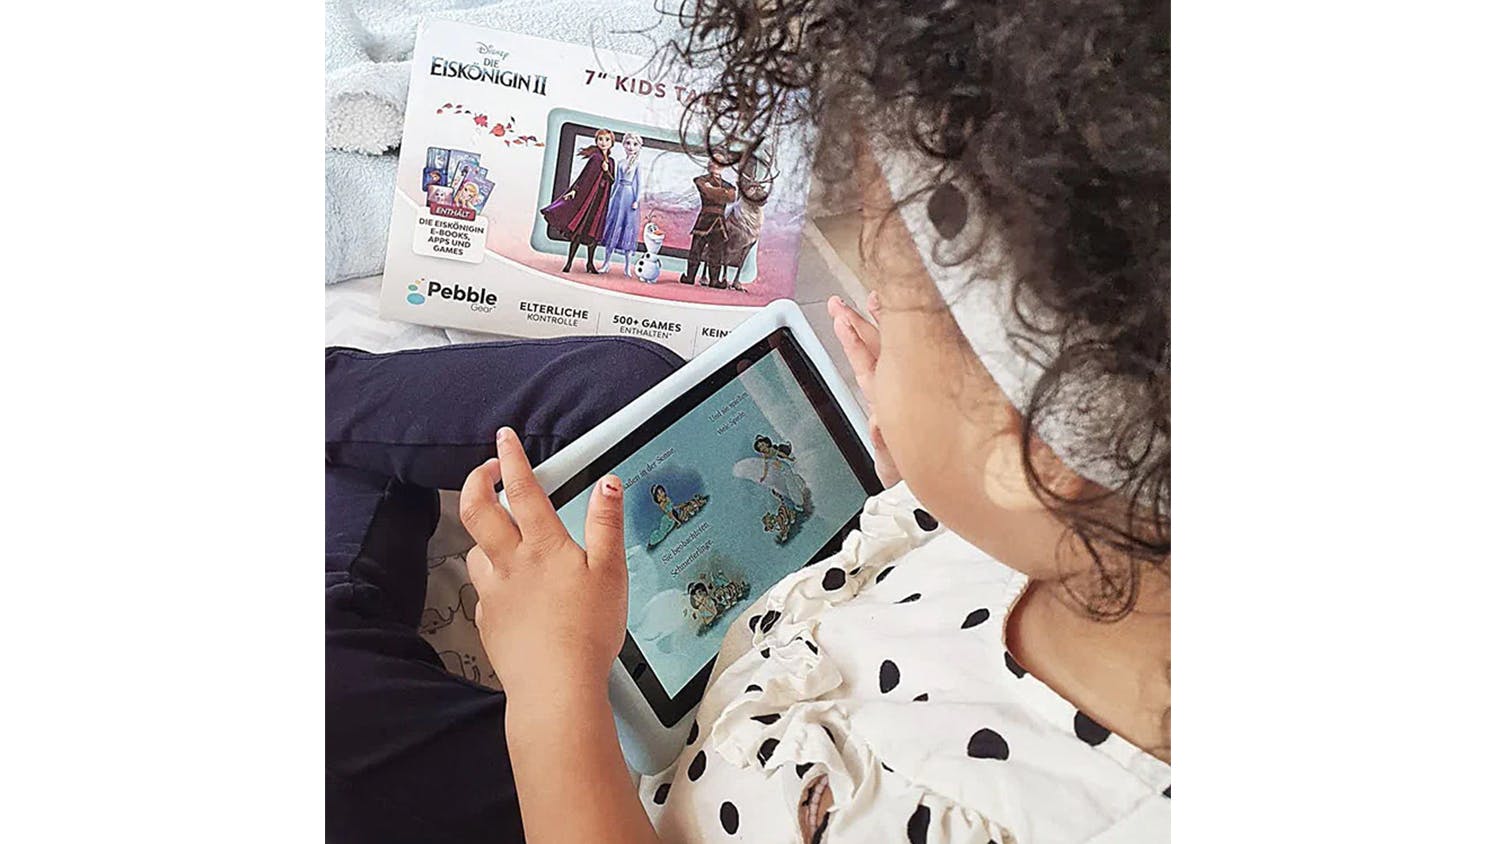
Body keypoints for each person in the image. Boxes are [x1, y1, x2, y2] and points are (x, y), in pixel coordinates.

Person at [331, 0, 1169, 839]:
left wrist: (555, 688)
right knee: (631, 383)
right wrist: (927, 488)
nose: (873, 321)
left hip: (603, 793)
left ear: (1042, 451)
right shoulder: (1115, 521)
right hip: (791, 609)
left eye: (897, 304)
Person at [540, 127, 617, 273]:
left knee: (593, 233)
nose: (603, 142)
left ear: (612, 143)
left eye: (607, 139)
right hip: (588, 199)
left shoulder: (611, 162)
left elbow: (612, 181)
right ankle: (569, 263)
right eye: (600, 139)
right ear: (596, 141)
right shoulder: (595, 158)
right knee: (579, 230)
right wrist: (574, 190)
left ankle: (590, 263)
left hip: (600, 201)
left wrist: (606, 170)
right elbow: (584, 176)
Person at [676, 158, 737, 287]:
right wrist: (722, 193)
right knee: (695, 251)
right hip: (704, 221)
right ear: (709, 165)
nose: (716, 165)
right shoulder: (701, 180)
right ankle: (690, 277)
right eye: (714, 162)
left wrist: (713, 190)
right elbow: (708, 193)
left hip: (719, 223)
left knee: (716, 254)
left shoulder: (729, 186)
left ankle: (714, 281)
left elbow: (731, 197)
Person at [600, 132, 646, 276]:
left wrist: (636, 200)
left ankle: (627, 266)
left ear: (639, 147)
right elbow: (615, 182)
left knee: (628, 227)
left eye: (634, 144)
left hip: (629, 196)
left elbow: (639, 184)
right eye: (628, 143)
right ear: (623, 145)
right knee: (613, 226)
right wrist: (610, 197)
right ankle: (606, 263)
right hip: (618, 196)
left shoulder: (638, 165)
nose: (631, 147)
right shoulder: (620, 163)